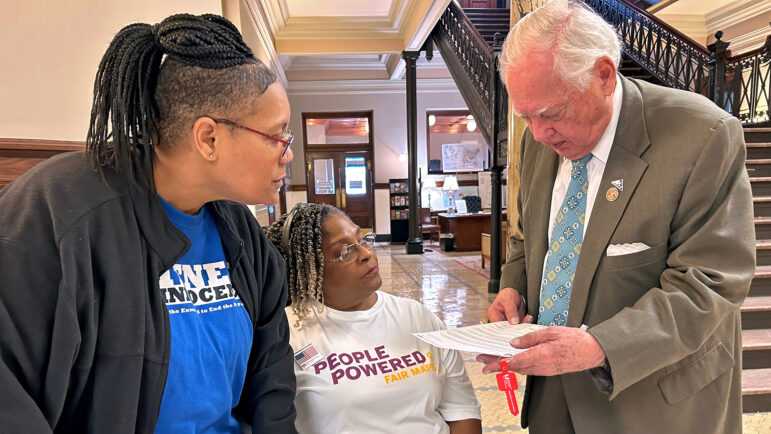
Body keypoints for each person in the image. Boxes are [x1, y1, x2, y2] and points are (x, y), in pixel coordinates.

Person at [0, 14, 297, 433]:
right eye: (277, 135)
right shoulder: (57, 208)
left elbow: (272, 376)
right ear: (208, 138)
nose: (287, 154)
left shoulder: (240, 231)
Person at [477, 1, 755, 433]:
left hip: (656, 404)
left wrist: (599, 346)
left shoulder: (703, 136)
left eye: (550, 113)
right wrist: (513, 287)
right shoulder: (539, 138)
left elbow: (711, 282)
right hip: (554, 399)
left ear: (604, 76)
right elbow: (526, 236)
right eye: (525, 116)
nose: (537, 133)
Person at [265, 203, 482, 434]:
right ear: (309, 270)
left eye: (364, 240)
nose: (367, 254)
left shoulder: (418, 317)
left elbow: (463, 411)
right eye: (346, 251)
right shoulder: (286, 335)